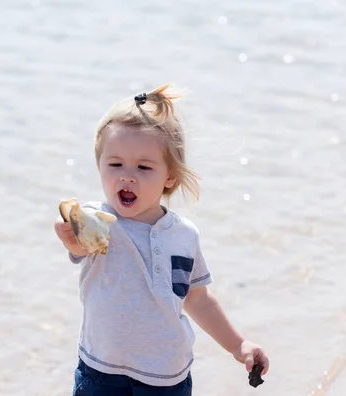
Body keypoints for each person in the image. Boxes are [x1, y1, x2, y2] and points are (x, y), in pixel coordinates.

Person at [54, 83, 269, 396]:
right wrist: (71, 239)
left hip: (166, 377)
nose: (127, 176)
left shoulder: (182, 235)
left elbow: (196, 298)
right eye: (115, 164)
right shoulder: (97, 222)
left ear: (170, 176)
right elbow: (79, 244)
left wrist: (238, 345)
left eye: (143, 167)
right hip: (101, 371)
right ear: (100, 166)